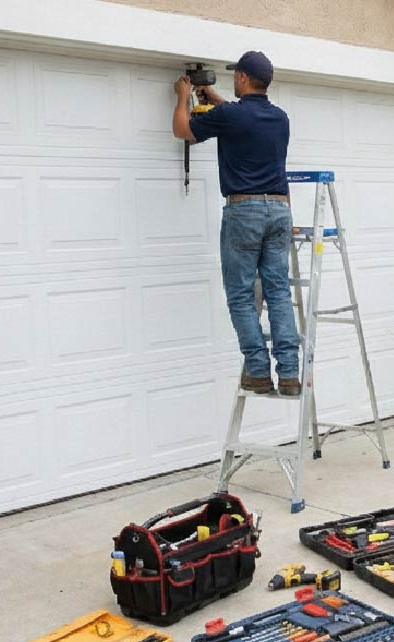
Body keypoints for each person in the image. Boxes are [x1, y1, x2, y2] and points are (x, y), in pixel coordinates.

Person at [173, 51, 300, 396]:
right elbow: (243, 119)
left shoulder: (231, 115)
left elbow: (183, 130)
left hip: (244, 211)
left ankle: (258, 371)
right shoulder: (280, 118)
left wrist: (183, 96)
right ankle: (289, 372)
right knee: (277, 292)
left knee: (241, 295)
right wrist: (216, 100)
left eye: (235, 76)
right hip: (279, 210)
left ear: (243, 78)